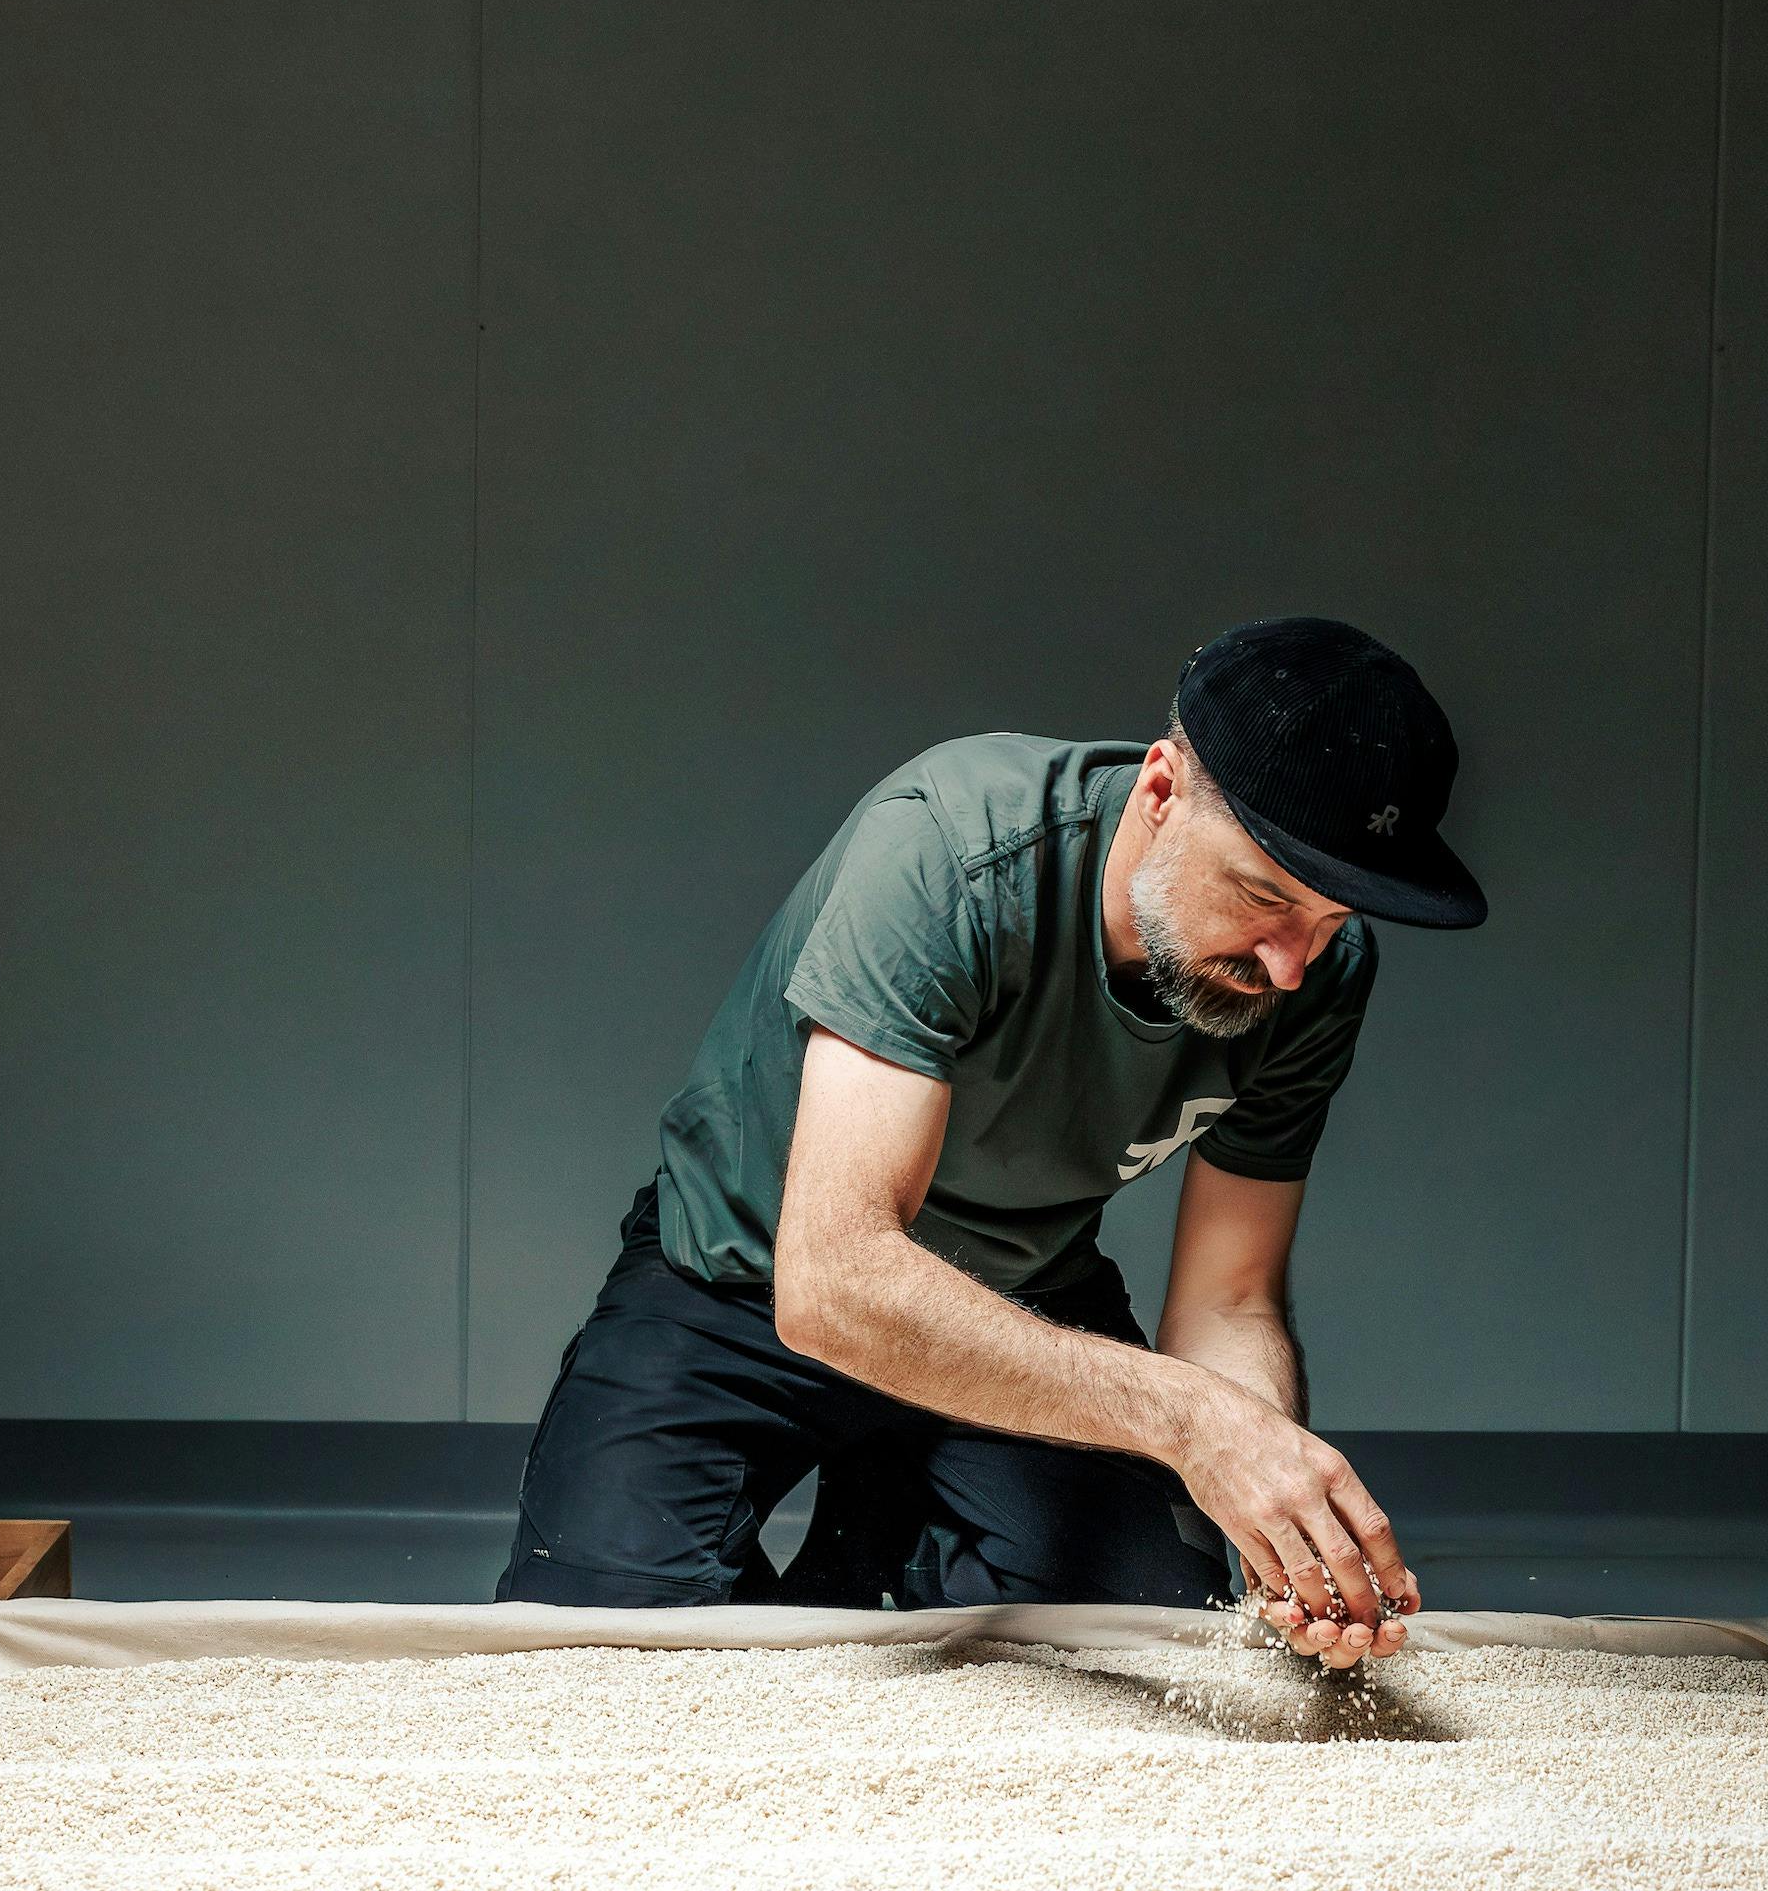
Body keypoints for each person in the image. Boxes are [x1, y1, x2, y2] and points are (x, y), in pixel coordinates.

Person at [496, 617, 1487, 1665]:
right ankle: (873, 1526)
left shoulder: (1314, 977)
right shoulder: (951, 852)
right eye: (1263, 896)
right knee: (595, 1645)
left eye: (1331, 920)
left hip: (1025, 1290)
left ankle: (882, 1529)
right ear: (1160, 791)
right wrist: (1191, 1423)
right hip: (749, 1273)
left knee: (1138, 1635)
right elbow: (835, 1282)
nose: (1289, 966)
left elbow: (1230, 1297)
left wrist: (1275, 1514)